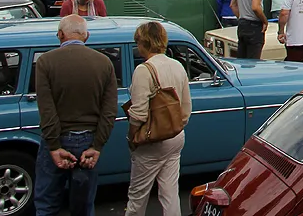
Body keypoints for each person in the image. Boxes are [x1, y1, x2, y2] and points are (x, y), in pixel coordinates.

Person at [33, 15, 118, 216]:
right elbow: (109, 110)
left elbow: (46, 109)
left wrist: (54, 146)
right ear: (86, 36)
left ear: (60, 35)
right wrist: (97, 145)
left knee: (47, 202)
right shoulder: (104, 63)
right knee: (83, 205)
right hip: (88, 140)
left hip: (57, 138)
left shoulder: (45, 62)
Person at [123, 21, 191, 216]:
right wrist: (176, 126)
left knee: (138, 195)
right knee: (170, 192)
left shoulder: (144, 71)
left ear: (144, 43)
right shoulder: (177, 66)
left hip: (151, 140)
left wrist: (132, 137)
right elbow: (186, 108)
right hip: (175, 136)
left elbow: (139, 113)